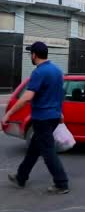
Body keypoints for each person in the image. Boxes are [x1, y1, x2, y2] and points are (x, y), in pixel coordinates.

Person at [2, 42, 69, 194]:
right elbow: (60, 95)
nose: (30, 56)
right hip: (52, 117)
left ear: (34, 55)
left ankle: (61, 183)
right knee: (34, 148)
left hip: (42, 118)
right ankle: (21, 177)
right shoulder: (57, 71)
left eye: (30, 53)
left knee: (48, 151)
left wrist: (8, 113)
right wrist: (59, 113)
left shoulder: (39, 72)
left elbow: (27, 96)